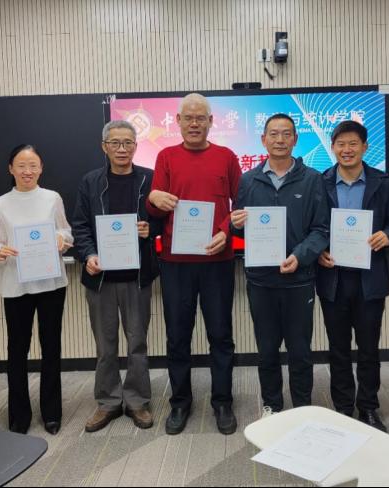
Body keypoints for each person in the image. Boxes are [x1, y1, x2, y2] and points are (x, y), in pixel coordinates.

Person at [146, 93, 241, 435]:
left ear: (211, 121)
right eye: (189, 117)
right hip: (176, 263)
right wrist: (152, 198)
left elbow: (241, 205)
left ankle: (222, 402)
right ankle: (180, 403)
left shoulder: (227, 156)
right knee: (177, 336)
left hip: (217, 261)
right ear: (178, 121)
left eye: (201, 117)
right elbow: (155, 209)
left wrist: (227, 231)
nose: (195, 123)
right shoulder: (166, 157)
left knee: (221, 335)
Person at [230, 113, 329, 417]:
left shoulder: (312, 179)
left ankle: (302, 408)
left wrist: (300, 255)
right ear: (263, 140)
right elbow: (239, 228)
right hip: (261, 280)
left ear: (295, 139)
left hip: (299, 279)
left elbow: (321, 229)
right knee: (267, 350)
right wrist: (235, 224)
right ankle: (271, 405)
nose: (280, 140)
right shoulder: (248, 180)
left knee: (300, 351)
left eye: (286, 134)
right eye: (273, 134)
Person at [72, 120, 160, 432]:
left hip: (137, 276)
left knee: (137, 343)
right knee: (105, 345)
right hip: (101, 278)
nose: (122, 149)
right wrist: (88, 255)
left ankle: (137, 401)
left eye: (127, 143)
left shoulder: (150, 179)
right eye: (115, 143)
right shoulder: (90, 181)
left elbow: (166, 219)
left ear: (136, 146)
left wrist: (151, 229)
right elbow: (80, 225)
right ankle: (108, 401)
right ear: (104, 147)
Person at [316, 120, 389, 432]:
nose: (347, 149)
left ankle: (368, 407)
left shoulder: (382, 183)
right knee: (338, 347)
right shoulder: (321, 182)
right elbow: (313, 225)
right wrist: (319, 251)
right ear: (333, 147)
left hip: (370, 278)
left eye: (353, 143)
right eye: (341, 144)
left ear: (365, 147)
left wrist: (388, 235)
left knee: (368, 348)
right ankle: (342, 406)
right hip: (333, 278)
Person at [0, 144, 73, 435]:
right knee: (17, 350)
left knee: (51, 347)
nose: (27, 171)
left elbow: (66, 232)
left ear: (41, 168)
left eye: (33, 165)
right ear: (11, 169)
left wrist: (61, 239)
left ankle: (52, 413)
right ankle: (19, 416)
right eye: (21, 165)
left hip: (50, 284)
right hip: (15, 284)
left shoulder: (52, 198)